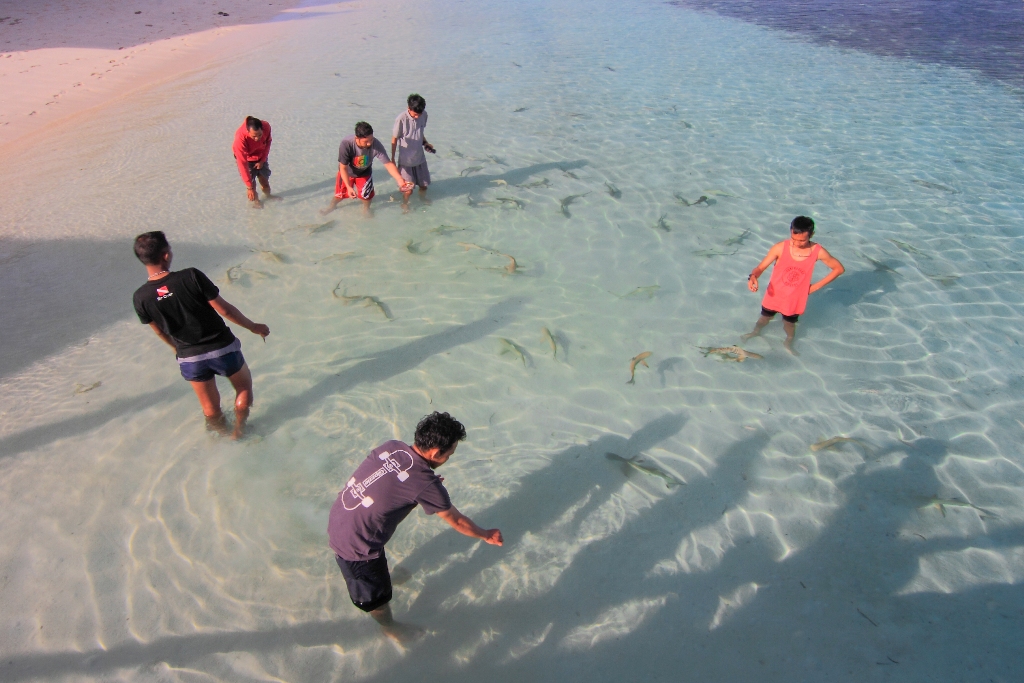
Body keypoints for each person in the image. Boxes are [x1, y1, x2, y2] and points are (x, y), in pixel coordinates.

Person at [327, 412, 503, 642]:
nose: (449, 458)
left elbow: (391, 483)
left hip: (339, 517)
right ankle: (389, 627)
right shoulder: (425, 485)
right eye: (450, 454)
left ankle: (386, 581)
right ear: (436, 453)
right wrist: (486, 534)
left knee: (378, 574)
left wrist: (425, 487)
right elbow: (457, 521)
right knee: (375, 599)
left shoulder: (392, 447)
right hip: (356, 548)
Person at [132, 231, 270, 438]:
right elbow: (224, 310)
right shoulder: (191, 276)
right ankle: (239, 430)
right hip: (222, 347)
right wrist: (253, 326)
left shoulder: (140, 297)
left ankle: (222, 437)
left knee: (210, 408)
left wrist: (176, 349)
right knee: (243, 388)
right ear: (166, 255)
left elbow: (159, 331)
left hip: (190, 357)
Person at [743, 216, 844, 355]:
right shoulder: (780, 248)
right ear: (790, 231)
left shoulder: (817, 251)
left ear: (811, 235)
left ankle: (789, 341)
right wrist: (753, 277)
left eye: (802, 240)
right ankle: (755, 332)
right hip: (774, 294)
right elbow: (760, 268)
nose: (797, 243)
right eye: (794, 238)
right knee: (764, 318)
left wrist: (814, 287)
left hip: (795, 299)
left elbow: (838, 269)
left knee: (789, 324)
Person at [321, 121, 414, 215]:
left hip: (364, 173)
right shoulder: (346, 144)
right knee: (340, 195)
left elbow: (388, 164)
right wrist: (349, 187)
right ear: (357, 138)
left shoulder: (376, 144)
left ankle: (366, 210)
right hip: (346, 173)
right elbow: (343, 167)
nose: (369, 143)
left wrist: (400, 179)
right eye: (366, 141)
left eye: (371, 139)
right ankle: (331, 206)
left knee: (366, 196)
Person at [391, 93, 436, 212]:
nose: (417, 117)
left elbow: (419, 132)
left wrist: (426, 143)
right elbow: (394, 139)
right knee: (408, 190)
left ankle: (422, 199)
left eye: (419, 114)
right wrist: (392, 158)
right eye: (415, 114)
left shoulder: (424, 115)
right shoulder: (401, 119)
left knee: (424, 185)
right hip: (406, 161)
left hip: (420, 158)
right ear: (408, 108)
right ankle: (405, 204)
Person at [232, 116, 279, 208]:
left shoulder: (266, 126)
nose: (257, 138)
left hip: (261, 156)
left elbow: (268, 142)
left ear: (263, 129)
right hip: (246, 159)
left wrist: (262, 160)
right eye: (254, 136)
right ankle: (256, 202)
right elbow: (242, 163)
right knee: (251, 184)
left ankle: (268, 196)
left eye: (260, 135)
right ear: (247, 131)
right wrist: (249, 187)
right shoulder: (240, 138)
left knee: (264, 180)